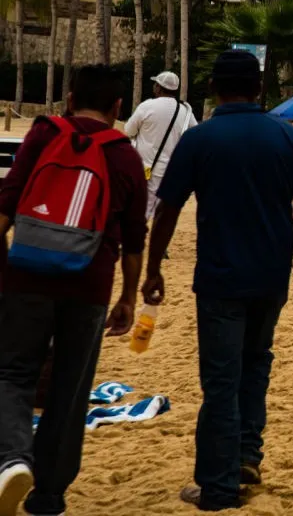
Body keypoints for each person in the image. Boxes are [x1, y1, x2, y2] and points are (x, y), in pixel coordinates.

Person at [140, 50, 293, 511]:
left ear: (214, 88)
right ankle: (247, 455)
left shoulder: (201, 139)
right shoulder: (286, 137)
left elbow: (168, 209)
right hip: (271, 277)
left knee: (221, 381)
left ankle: (219, 486)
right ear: (259, 87)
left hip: (221, 277)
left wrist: (153, 267)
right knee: (256, 365)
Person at [0, 65, 147, 516]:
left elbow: (7, 203)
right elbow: (134, 238)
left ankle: (11, 457)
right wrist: (127, 296)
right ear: (118, 108)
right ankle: (49, 495)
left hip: (25, 275)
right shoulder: (125, 155)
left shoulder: (44, 134)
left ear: (68, 98)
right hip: (89, 283)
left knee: (12, 374)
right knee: (71, 385)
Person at [124, 71, 196, 219]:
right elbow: (194, 134)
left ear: (158, 87)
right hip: (171, 171)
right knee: (163, 214)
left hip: (145, 169)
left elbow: (128, 130)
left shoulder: (147, 106)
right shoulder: (185, 111)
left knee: (140, 211)